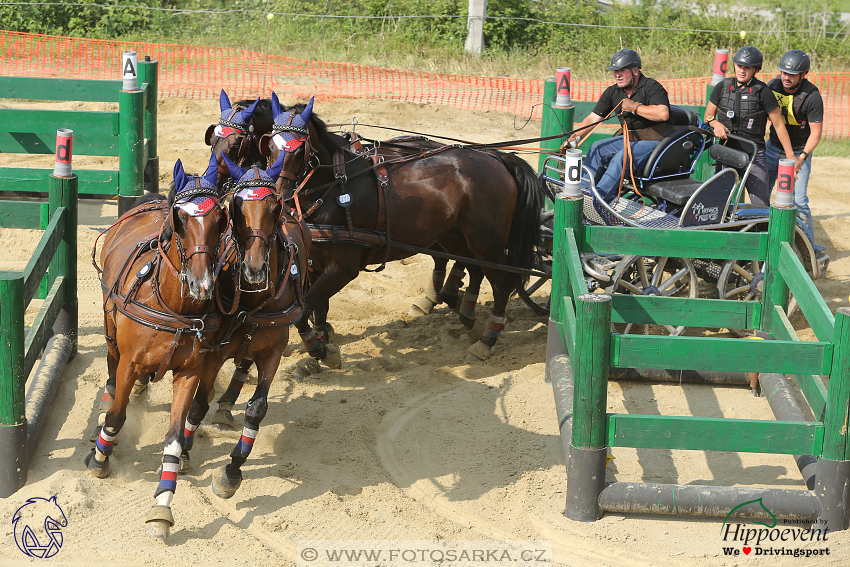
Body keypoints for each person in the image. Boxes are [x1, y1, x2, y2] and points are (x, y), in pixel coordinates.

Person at [566, 49, 671, 203]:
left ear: (636, 71)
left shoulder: (652, 87)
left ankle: (597, 200)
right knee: (597, 148)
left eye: (622, 70)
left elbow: (663, 114)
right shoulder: (613, 92)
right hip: (630, 140)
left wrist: (635, 107)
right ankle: (582, 195)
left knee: (621, 158)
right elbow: (593, 118)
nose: (617, 75)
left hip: (657, 142)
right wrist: (574, 139)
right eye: (615, 71)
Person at [704, 46, 796, 207]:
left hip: (754, 154)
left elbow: (779, 125)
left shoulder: (764, 92)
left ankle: (758, 229)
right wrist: (715, 123)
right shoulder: (722, 87)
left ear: (756, 69)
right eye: (740, 66)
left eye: (747, 68)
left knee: (761, 205)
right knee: (716, 203)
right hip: (726, 151)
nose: (742, 70)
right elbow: (708, 116)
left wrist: (790, 155)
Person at [765, 49, 824, 239]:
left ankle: (808, 250)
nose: (786, 77)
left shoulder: (812, 96)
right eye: (783, 72)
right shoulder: (772, 86)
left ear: (803, 75)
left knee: (799, 201)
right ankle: (761, 239)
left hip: (800, 153)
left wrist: (802, 156)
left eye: (791, 74)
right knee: (761, 195)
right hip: (773, 149)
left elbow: (816, 133)